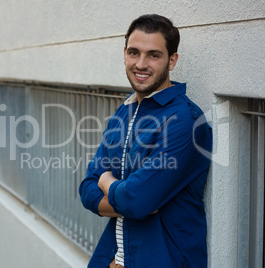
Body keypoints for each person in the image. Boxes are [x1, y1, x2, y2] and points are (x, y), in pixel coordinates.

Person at [79, 14, 212, 268]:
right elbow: (87, 189)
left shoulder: (186, 122)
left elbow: (135, 201)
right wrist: (127, 200)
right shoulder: (124, 112)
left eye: (153, 55)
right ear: (125, 54)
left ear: (172, 60)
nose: (141, 64)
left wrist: (107, 181)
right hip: (112, 258)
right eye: (134, 52)